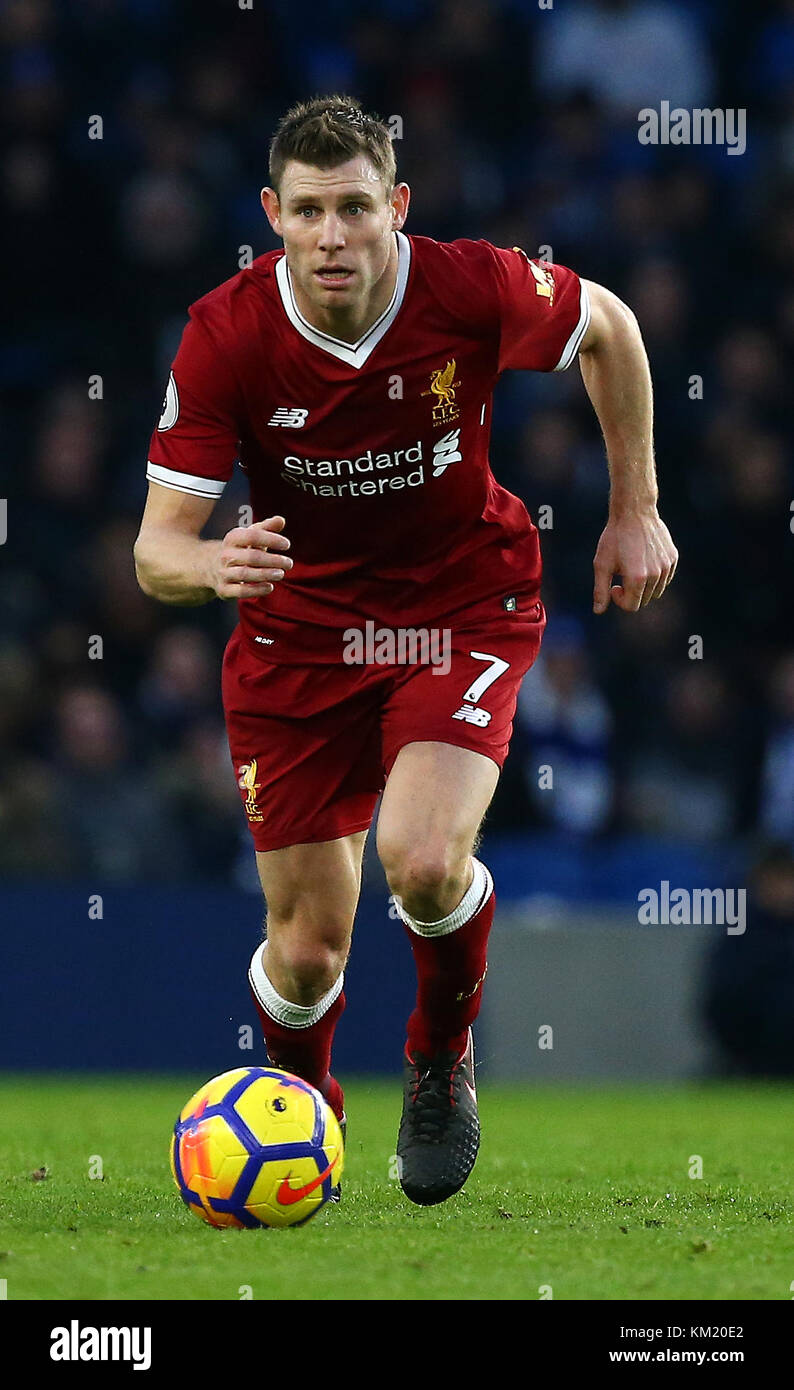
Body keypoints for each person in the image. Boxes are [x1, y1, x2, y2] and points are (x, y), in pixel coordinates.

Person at [133, 96, 677, 1207]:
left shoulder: (469, 287)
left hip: (457, 609)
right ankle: (301, 1106)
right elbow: (153, 551)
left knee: (422, 860)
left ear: (398, 209)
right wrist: (209, 569)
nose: (331, 236)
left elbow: (611, 328)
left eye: (355, 209)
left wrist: (634, 508)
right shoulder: (226, 332)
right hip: (297, 639)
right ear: (271, 216)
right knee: (305, 954)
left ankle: (437, 1056)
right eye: (308, 212)